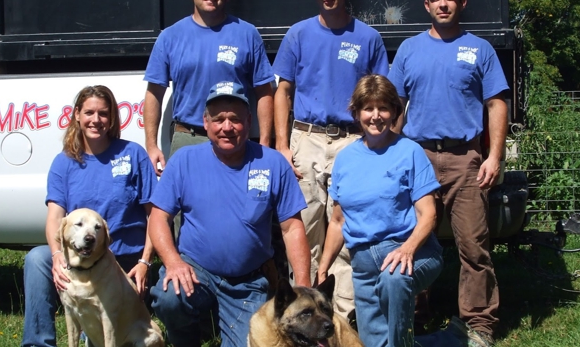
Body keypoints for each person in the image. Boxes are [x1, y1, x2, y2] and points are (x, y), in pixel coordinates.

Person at [147, 81, 311, 347]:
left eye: (235, 119)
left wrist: (302, 287)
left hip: (248, 281)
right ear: (206, 122)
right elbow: (158, 218)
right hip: (195, 271)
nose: (227, 127)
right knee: (169, 298)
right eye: (219, 119)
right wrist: (173, 262)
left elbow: (292, 228)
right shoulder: (184, 160)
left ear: (248, 121)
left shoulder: (272, 163)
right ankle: (186, 340)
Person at [388, 0, 509, 345]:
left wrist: (494, 156)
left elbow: (496, 104)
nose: (443, 3)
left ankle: (479, 325)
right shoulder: (409, 49)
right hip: (418, 156)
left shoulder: (480, 49)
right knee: (411, 240)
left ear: (462, 3)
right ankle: (413, 316)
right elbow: (394, 106)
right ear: (426, 4)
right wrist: (390, 157)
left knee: (473, 245)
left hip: (465, 158)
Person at [272, 0, 389, 318]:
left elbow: (382, 97)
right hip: (305, 138)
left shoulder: (368, 37)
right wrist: (282, 146)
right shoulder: (298, 34)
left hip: (351, 141)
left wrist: (376, 147)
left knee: (347, 233)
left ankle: (343, 317)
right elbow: (283, 90)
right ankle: (304, 315)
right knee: (303, 230)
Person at [21, 85, 158, 347]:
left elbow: (155, 216)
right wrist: (57, 253)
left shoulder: (132, 154)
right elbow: (55, 218)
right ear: (77, 115)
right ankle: (38, 343)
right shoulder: (63, 163)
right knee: (37, 258)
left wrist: (145, 262)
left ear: (113, 118)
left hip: (124, 262)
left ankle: (95, 329)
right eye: (89, 113)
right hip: (80, 258)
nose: (96, 120)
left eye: (104, 114)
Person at [317, 74, 443, 347]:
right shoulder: (346, 158)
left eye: (383, 108)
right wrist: (323, 266)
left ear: (394, 112)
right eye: (368, 108)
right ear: (356, 113)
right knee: (374, 343)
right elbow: (338, 220)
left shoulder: (410, 151)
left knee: (394, 280)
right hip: (363, 265)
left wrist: (407, 249)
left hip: (412, 252)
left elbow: (428, 214)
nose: (376, 116)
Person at [143, 0, 274, 176]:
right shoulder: (170, 37)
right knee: (185, 202)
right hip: (188, 139)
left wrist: (264, 144)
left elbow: (264, 92)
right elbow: (154, 94)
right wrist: (151, 146)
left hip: (233, 139)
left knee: (236, 202)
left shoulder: (247, 34)